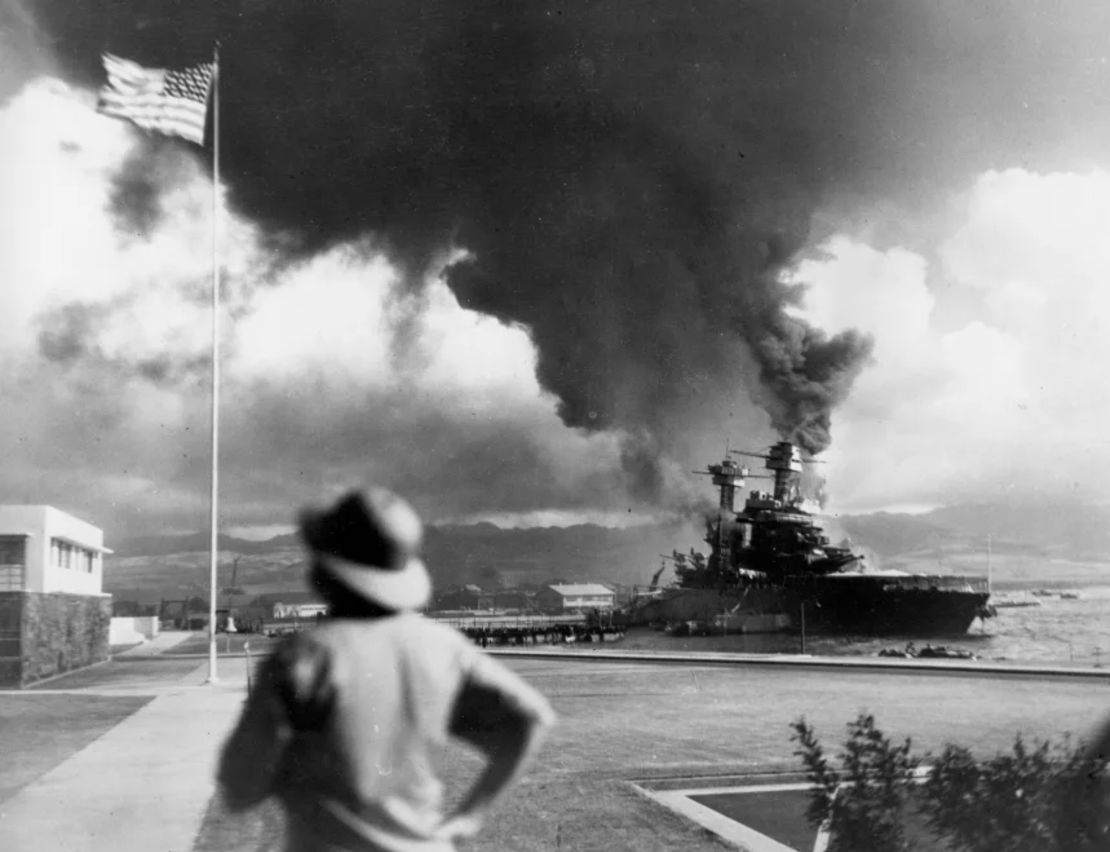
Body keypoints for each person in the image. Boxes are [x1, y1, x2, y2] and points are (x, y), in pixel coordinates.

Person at [217, 486, 555, 852]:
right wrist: (470, 815)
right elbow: (532, 718)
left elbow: (239, 790)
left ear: (324, 570)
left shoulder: (302, 657)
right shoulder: (444, 646)